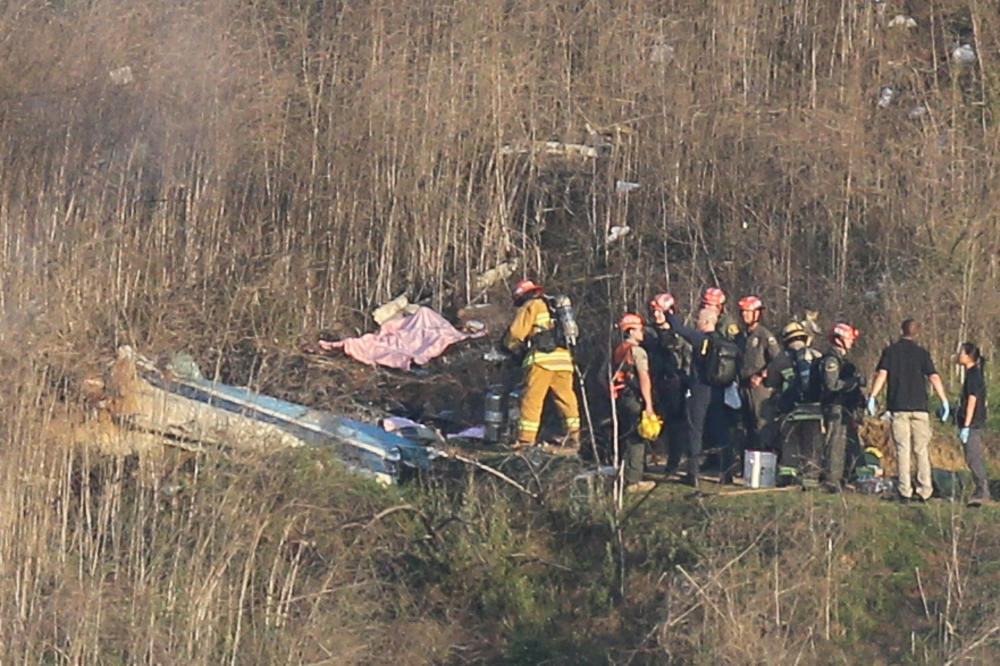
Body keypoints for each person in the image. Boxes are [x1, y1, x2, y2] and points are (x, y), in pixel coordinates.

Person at [867, 318, 950, 502]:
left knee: (902, 450)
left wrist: (872, 396)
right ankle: (925, 490)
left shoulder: (891, 352)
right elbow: (934, 377)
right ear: (916, 333)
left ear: (901, 330)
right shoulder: (922, 353)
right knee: (921, 450)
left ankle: (905, 490)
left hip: (898, 408)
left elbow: (882, 374)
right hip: (920, 408)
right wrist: (944, 400)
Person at [503, 279, 581, 449]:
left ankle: (525, 440)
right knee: (566, 398)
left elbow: (516, 333)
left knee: (532, 399)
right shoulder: (554, 307)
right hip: (564, 360)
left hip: (542, 361)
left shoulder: (531, 306)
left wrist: (509, 348)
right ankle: (574, 436)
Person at [666, 303, 732, 486]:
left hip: (700, 390)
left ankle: (692, 474)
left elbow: (679, 329)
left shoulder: (700, 339)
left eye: (698, 320)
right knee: (721, 432)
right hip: (719, 391)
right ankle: (726, 473)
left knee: (695, 430)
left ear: (705, 322)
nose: (696, 323)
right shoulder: (723, 341)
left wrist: (668, 313)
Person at [764, 321, 825, 479]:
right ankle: (810, 479)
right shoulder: (818, 356)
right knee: (812, 448)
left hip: (791, 411)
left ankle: (787, 478)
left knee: (790, 445)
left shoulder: (780, 359)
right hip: (815, 411)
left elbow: (770, 382)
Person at [644, 292, 690, 476]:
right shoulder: (648, 333)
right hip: (653, 382)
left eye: (660, 311)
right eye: (654, 311)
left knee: (675, 426)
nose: (656, 315)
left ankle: (673, 463)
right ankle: (648, 459)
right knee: (650, 422)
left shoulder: (679, 333)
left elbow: (688, 356)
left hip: (675, 384)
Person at [610, 313, 657, 493]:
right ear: (630, 331)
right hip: (634, 398)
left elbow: (603, 375)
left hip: (621, 398)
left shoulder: (618, 349)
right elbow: (644, 379)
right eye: (639, 329)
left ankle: (624, 475)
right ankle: (633, 481)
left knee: (626, 437)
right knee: (637, 438)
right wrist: (649, 405)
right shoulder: (637, 352)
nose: (642, 332)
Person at [819, 323, 864, 490]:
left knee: (846, 443)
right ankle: (831, 480)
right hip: (834, 406)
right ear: (839, 340)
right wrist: (853, 382)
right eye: (849, 338)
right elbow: (832, 385)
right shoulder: (831, 360)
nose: (852, 342)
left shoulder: (843, 360)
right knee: (835, 444)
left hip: (844, 408)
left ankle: (846, 477)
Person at [736, 296, 782, 449]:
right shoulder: (740, 337)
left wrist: (761, 375)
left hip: (760, 389)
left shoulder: (764, 335)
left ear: (757, 314)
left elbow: (778, 360)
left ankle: (764, 461)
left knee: (762, 425)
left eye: (747, 312)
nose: (744, 315)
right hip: (742, 386)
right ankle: (747, 463)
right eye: (742, 312)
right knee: (745, 426)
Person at [957, 343, 990, 506]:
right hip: (972, 422)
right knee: (971, 457)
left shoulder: (973, 375)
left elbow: (972, 400)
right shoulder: (972, 374)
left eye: (961, 353)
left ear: (968, 355)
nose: (958, 355)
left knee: (973, 457)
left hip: (973, 423)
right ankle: (980, 489)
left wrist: (966, 425)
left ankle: (982, 491)